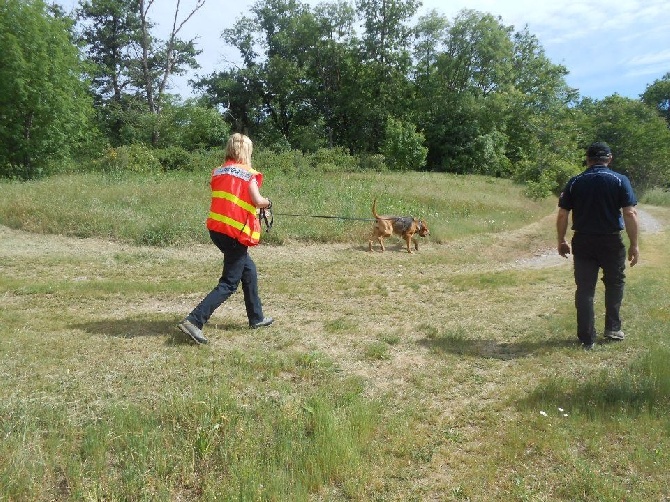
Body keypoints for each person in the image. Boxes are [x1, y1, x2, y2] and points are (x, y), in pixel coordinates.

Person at [178, 133, 273, 344]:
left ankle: (256, 318)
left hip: (218, 230)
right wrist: (267, 203)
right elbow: (257, 200)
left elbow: (232, 200)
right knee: (230, 283)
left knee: (249, 271)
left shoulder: (218, 172)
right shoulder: (248, 174)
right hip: (234, 234)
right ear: (246, 151)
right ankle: (194, 320)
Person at [556, 141, 639, 350]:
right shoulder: (620, 180)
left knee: (585, 289)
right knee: (615, 283)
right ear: (609, 158)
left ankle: (586, 337)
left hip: (583, 240)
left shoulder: (575, 182)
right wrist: (634, 245)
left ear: (588, 159)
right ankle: (613, 329)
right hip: (611, 241)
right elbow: (629, 213)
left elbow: (563, 213)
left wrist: (561, 240)